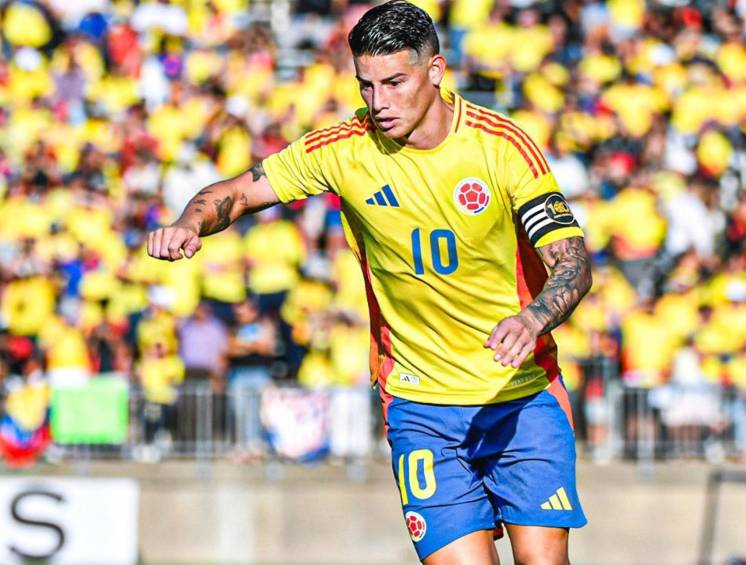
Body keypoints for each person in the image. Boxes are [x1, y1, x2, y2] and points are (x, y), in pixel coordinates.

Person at [147, 2, 592, 563]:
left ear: (435, 71)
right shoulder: (343, 149)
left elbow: (572, 262)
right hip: (420, 404)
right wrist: (191, 222)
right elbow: (238, 191)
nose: (379, 103)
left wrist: (533, 318)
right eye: (367, 86)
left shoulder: (501, 146)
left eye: (394, 82)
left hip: (519, 393)